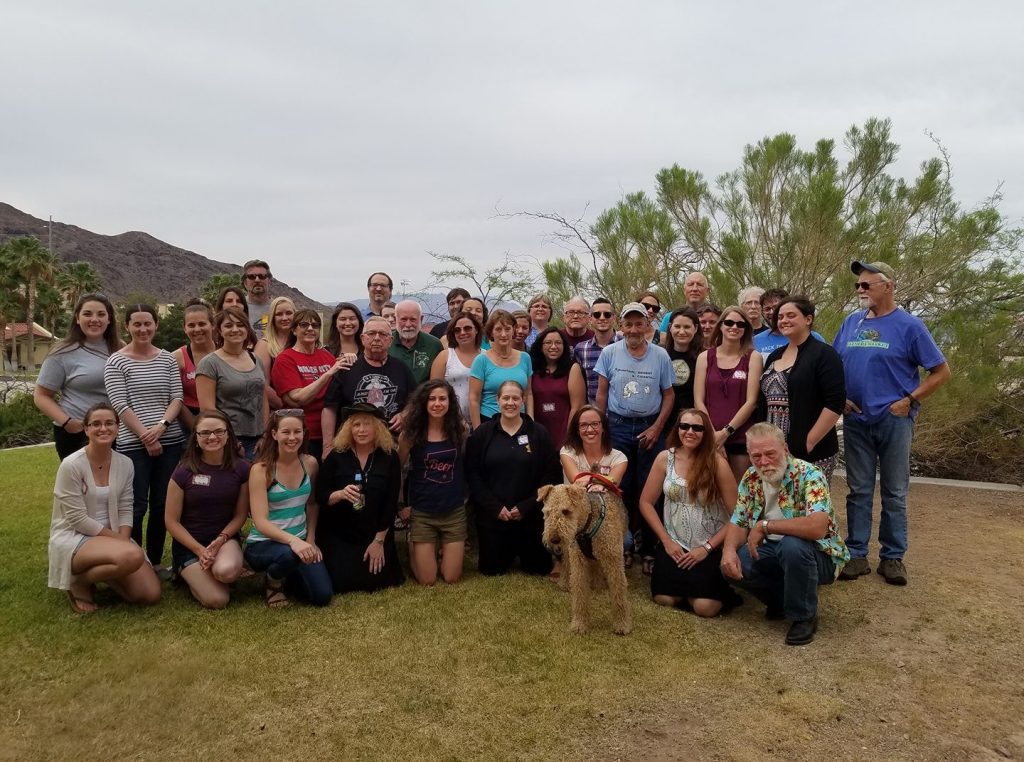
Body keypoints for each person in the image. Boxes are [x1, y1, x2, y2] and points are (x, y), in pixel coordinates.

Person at [835, 260, 950, 586]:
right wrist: (840, 397)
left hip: (894, 420)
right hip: (856, 420)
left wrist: (909, 400)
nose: (860, 290)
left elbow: (941, 372)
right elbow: (834, 363)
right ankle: (856, 554)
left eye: (866, 284)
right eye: (858, 285)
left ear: (888, 286)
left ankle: (893, 557)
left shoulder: (909, 326)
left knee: (894, 491)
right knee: (858, 490)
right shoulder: (851, 323)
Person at [720, 423, 850, 646]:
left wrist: (765, 526)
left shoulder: (810, 474)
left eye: (770, 453)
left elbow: (817, 527)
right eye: (756, 456)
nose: (763, 462)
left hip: (820, 554)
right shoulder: (751, 477)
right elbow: (738, 520)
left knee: (792, 546)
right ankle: (781, 602)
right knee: (735, 563)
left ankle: (804, 616)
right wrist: (728, 550)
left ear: (785, 449)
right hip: (773, 549)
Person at [48, 403, 162, 612]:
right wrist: (119, 541)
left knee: (149, 594)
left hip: (113, 536)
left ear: (118, 428)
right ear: (86, 429)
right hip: (75, 536)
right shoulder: (71, 465)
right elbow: (76, 519)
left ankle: (99, 573)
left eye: (109, 423)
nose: (103, 428)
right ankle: (78, 582)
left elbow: (127, 505)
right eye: (96, 424)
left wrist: (125, 537)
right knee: (132, 556)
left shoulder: (125, 463)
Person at [104, 304, 185, 577]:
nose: (143, 329)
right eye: (136, 324)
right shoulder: (117, 361)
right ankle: (136, 561)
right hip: (132, 445)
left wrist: (160, 428)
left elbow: (177, 397)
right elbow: (119, 404)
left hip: (170, 442)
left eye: (147, 323)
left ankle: (156, 560)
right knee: (135, 504)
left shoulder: (166, 359)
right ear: (127, 326)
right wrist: (145, 435)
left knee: (163, 503)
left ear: (156, 325)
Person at [595, 302, 675, 570]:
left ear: (647, 325)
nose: (633, 329)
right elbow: (602, 394)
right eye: (628, 324)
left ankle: (651, 548)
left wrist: (656, 428)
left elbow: (669, 395)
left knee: (651, 488)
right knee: (620, 487)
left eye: (638, 323)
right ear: (621, 326)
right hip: (617, 426)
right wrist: (602, 427)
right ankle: (624, 545)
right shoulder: (609, 353)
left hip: (650, 427)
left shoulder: (661, 355)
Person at [639, 408, 740, 617]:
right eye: (684, 426)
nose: (689, 432)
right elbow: (646, 502)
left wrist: (707, 548)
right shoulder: (664, 459)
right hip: (674, 544)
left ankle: (710, 591)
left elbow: (738, 514)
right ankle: (689, 589)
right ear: (677, 429)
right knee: (663, 599)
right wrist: (666, 541)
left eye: (697, 428)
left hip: (708, 547)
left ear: (706, 433)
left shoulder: (717, 464)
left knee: (705, 608)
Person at [466, 380, 560, 576]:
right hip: (494, 517)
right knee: (491, 570)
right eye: (506, 398)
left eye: (515, 398)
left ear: (523, 400)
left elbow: (551, 475)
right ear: (497, 400)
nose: (511, 403)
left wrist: (526, 507)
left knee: (539, 569)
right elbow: (473, 475)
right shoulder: (483, 433)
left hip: (530, 516)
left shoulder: (538, 433)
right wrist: (495, 507)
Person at [245, 410, 332, 607]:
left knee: (322, 596)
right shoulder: (261, 470)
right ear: (274, 434)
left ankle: (288, 574)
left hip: (300, 541)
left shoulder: (310, 463)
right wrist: (295, 542)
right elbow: (260, 522)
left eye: (297, 432)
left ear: (304, 433)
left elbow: (311, 504)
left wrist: (310, 540)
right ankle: (272, 581)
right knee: (288, 554)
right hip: (264, 543)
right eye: (286, 432)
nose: (292, 438)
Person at [164, 410, 249, 608]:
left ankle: (216, 570)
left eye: (219, 431)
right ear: (196, 438)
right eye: (205, 433)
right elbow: (171, 521)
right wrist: (199, 550)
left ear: (228, 435)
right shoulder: (183, 470)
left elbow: (240, 515)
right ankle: (184, 572)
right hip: (190, 545)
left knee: (226, 572)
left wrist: (220, 540)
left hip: (223, 539)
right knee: (217, 600)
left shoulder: (242, 469)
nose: (212, 437)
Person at [316, 403, 404, 593]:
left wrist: (379, 541)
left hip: (375, 532)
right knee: (342, 583)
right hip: (340, 533)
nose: (361, 430)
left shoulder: (389, 457)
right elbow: (320, 496)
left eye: (367, 424)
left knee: (376, 581)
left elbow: (390, 503)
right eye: (356, 425)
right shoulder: (337, 456)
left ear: (378, 428)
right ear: (349, 428)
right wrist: (339, 494)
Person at [760, 296, 845, 481]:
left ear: (808, 319)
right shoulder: (775, 355)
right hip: (774, 449)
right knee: (777, 506)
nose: (784, 321)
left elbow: (835, 402)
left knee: (810, 507)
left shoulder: (824, 354)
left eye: (791, 315)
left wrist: (809, 441)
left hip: (811, 451)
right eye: (780, 317)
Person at [34, 293, 122, 460]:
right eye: (87, 314)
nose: (94, 319)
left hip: (116, 431)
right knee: (80, 484)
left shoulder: (120, 348)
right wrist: (67, 422)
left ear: (109, 319)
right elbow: (41, 396)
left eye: (101, 314)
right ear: (77, 318)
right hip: (77, 433)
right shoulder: (62, 352)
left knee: (115, 483)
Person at [399, 381, 468, 585]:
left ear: (450, 402)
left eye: (442, 399)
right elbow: (397, 471)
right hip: (422, 512)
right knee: (427, 580)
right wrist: (401, 505)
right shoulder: (409, 435)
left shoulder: (460, 431)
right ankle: (415, 546)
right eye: (432, 399)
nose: (437, 403)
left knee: (451, 577)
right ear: (423, 403)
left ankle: (441, 549)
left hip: (453, 511)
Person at [321, 316, 415, 456]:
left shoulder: (401, 368)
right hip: (351, 445)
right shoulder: (346, 368)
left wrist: (405, 414)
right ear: (363, 338)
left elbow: (416, 400)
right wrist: (328, 446)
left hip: (391, 446)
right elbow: (329, 408)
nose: (377, 338)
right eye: (371, 333)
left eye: (383, 334)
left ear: (390, 341)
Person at [694, 306, 763, 482]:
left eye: (740, 324)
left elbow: (752, 401)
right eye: (729, 322)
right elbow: (698, 400)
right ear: (721, 326)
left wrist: (725, 433)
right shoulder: (705, 357)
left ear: (746, 329)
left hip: (741, 436)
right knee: (710, 491)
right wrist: (713, 435)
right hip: (709, 435)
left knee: (741, 493)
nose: (734, 327)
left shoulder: (753, 357)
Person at [271, 309, 350, 461]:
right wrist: (327, 374)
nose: (310, 329)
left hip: (331, 433)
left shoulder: (326, 356)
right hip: (302, 435)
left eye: (315, 325)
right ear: (294, 330)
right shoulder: (285, 359)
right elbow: (299, 398)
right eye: (304, 325)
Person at [196, 307, 269, 459]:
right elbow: (208, 409)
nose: (235, 329)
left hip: (258, 440)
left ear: (247, 329)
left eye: (240, 325)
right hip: (229, 442)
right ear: (220, 331)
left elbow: (263, 399)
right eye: (228, 326)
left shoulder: (256, 359)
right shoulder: (209, 363)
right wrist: (231, 441)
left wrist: (265, 434)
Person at [468, 310, 533, 428]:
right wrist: (478, 431)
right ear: (491, 333)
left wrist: (531, 422)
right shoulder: (481, 360)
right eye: (498, 329)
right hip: (489, 422)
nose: (503, 334)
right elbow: (474, 398)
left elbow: (528, 394)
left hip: (519, 422)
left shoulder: (525, 358)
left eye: (507, 329)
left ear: (513, 330)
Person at [529, 327, 585, 449]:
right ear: (540, 346)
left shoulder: (572, 369)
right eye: (548, 343)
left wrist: (569, 437)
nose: (553, 346)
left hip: (564, 432)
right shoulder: (532, 369)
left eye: (558, 343)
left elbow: (577, 407)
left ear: (564, 346)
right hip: (537, 430)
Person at [430, 312, 483, 420]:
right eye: (457, 330)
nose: (462, 332)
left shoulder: (487, 357)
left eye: (467, 328)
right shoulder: (444, 357)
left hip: (484, 421)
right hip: (451, 422)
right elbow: (434, 392)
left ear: (476, 329)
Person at [560, 405, 628, 489]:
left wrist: (592, 479)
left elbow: (612, 483)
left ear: (603, 428)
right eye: (583, 425)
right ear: (577, 430)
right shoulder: (567, 452)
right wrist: (603, 481)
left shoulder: (619, 458)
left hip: (606, 501)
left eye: (595, 424)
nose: (590, 430)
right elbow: (577, 480)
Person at [172, 301, 215, 431]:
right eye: (191, 325)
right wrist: (196, 428)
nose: (197, 329)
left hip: (223, 419)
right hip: (189, 422)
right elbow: (174, 398)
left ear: (212, 325)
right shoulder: (177, 357)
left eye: (202, 324)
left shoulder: (225, 352)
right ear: (184, 328)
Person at [754, 288, 827, 359]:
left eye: (776, 307)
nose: (772, 312)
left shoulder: (814, 338)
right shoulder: (755, 341)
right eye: (767, 309)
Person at [573, 296, 619, 404]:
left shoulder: (625, 345)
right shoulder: (580, 350)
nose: (602, 318)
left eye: (607, 314)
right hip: (593, 415)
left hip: (620, 415)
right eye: (597, 314)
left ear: (614, 318)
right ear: (590, 319)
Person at [253, 296, 295, 410]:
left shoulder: (301, 342)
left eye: (289, 313)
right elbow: (262, 384)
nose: (285, 317)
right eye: (279, 314)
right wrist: (286, 407)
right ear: (272, 317)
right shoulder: (264, 345)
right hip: (277, 410)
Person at [390, 299, 443, 386]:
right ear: (395, 319)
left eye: (413, 319)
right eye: (403, 319)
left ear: (421, 319)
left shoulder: (434, 345)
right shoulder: (386, 343)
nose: (408, 324)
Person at [662, 307, 701, 422]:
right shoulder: (660, 354)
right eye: (677, 326)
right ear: (670, 327)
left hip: (691, 423)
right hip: (662, 422)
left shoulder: (703, 357)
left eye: (687, 327)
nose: (682, 332)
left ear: (696, 328)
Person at [242, 259, 272, 337]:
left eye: (262, 276)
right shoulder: (238, 306)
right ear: (245, 283)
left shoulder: (279, 309)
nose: (257, 280)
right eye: (251, 277)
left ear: (269, 282)